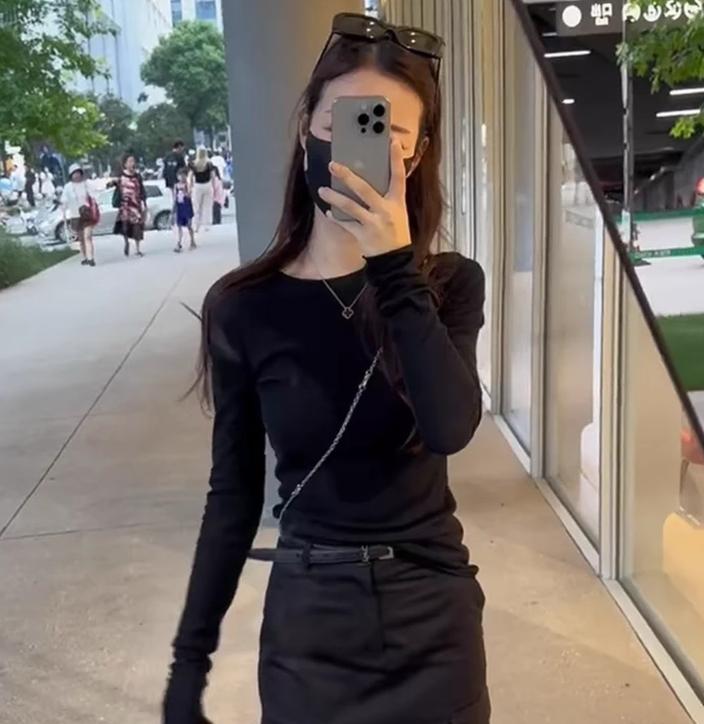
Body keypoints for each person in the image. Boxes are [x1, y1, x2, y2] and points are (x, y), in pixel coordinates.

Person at [163, 13, 490, 724]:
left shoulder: (447, 286)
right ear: (307, 126)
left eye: (388, 131)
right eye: (345, 121)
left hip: (431, 622)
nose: (361, 144)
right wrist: (189, 661)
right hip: (309, 626)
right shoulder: (244, 307)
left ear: (414, 156)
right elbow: (233, 496)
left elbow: (450, 427)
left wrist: (394, 268)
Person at [61, 164, 97, 266]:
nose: (76, 175)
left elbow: (94, 196)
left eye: (78, 173)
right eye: (74, 173)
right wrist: (64, 212)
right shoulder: (68, 187)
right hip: (75, 215)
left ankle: (91, 258)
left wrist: (94, 206)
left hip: (87, 214)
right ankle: (84, 257)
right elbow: (64, 200)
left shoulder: (86, 184)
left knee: (88, 236)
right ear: (71, 175)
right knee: (81, 239)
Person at [113, 153, 147, 258]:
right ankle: (126, 242)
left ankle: (138, 249)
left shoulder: (138, 176)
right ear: (125, 164)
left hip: (136, 205)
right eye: (130, 161)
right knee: (125, 227)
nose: (133, 163)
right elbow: (115, 187)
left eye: (133, 161)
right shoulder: (121, 176)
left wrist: (144, 202)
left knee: (137, 227)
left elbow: (141, 189)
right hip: (125, 206)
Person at [188, 146, 213, 233]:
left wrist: (190, 186)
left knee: (196, 206)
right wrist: (213, 185)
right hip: (207, 184)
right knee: (207, 206)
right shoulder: (209, 163)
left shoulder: (194, 164)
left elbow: (190, 176)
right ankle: (206, 225)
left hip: (197, 185)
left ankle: (196, 226)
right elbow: (212, 175)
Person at [172, 167, 196, 253]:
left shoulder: (187, 184)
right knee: (179, 226)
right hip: (180, 206)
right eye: (179, 176)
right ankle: (179, 242)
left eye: (183, 175)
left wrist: (185, 191)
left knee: (189, 225)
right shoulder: (176, 185)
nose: (181, 177)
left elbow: (189, 195)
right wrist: (174, 208)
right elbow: (175, 196)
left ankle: (192, 241)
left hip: (186, 206)